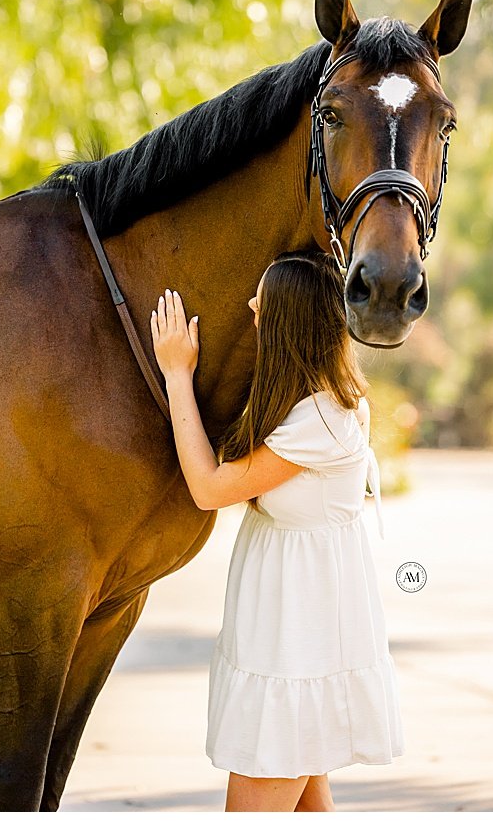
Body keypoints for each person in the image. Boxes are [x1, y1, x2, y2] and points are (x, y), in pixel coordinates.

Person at [150, 249, 401, 811]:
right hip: (290, 636)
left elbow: (210, 489)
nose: (251, 303)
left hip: (299, 645)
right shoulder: (308, 406)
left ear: (286, 319)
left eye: (262, 296)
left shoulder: (322, 418)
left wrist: (175, 374)